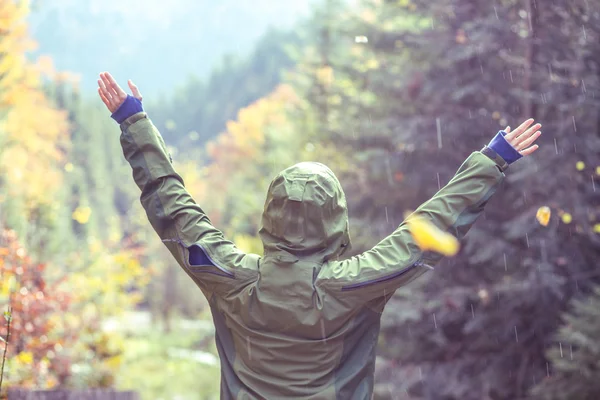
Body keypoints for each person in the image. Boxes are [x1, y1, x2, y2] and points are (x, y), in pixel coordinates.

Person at [97, 71, 541, 399]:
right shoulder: (357, 284)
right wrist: (492, 160)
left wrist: (132, 121)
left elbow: (171, 205)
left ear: (270, 215)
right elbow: (426, 230)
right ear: (336, 220)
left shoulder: (224, 274)